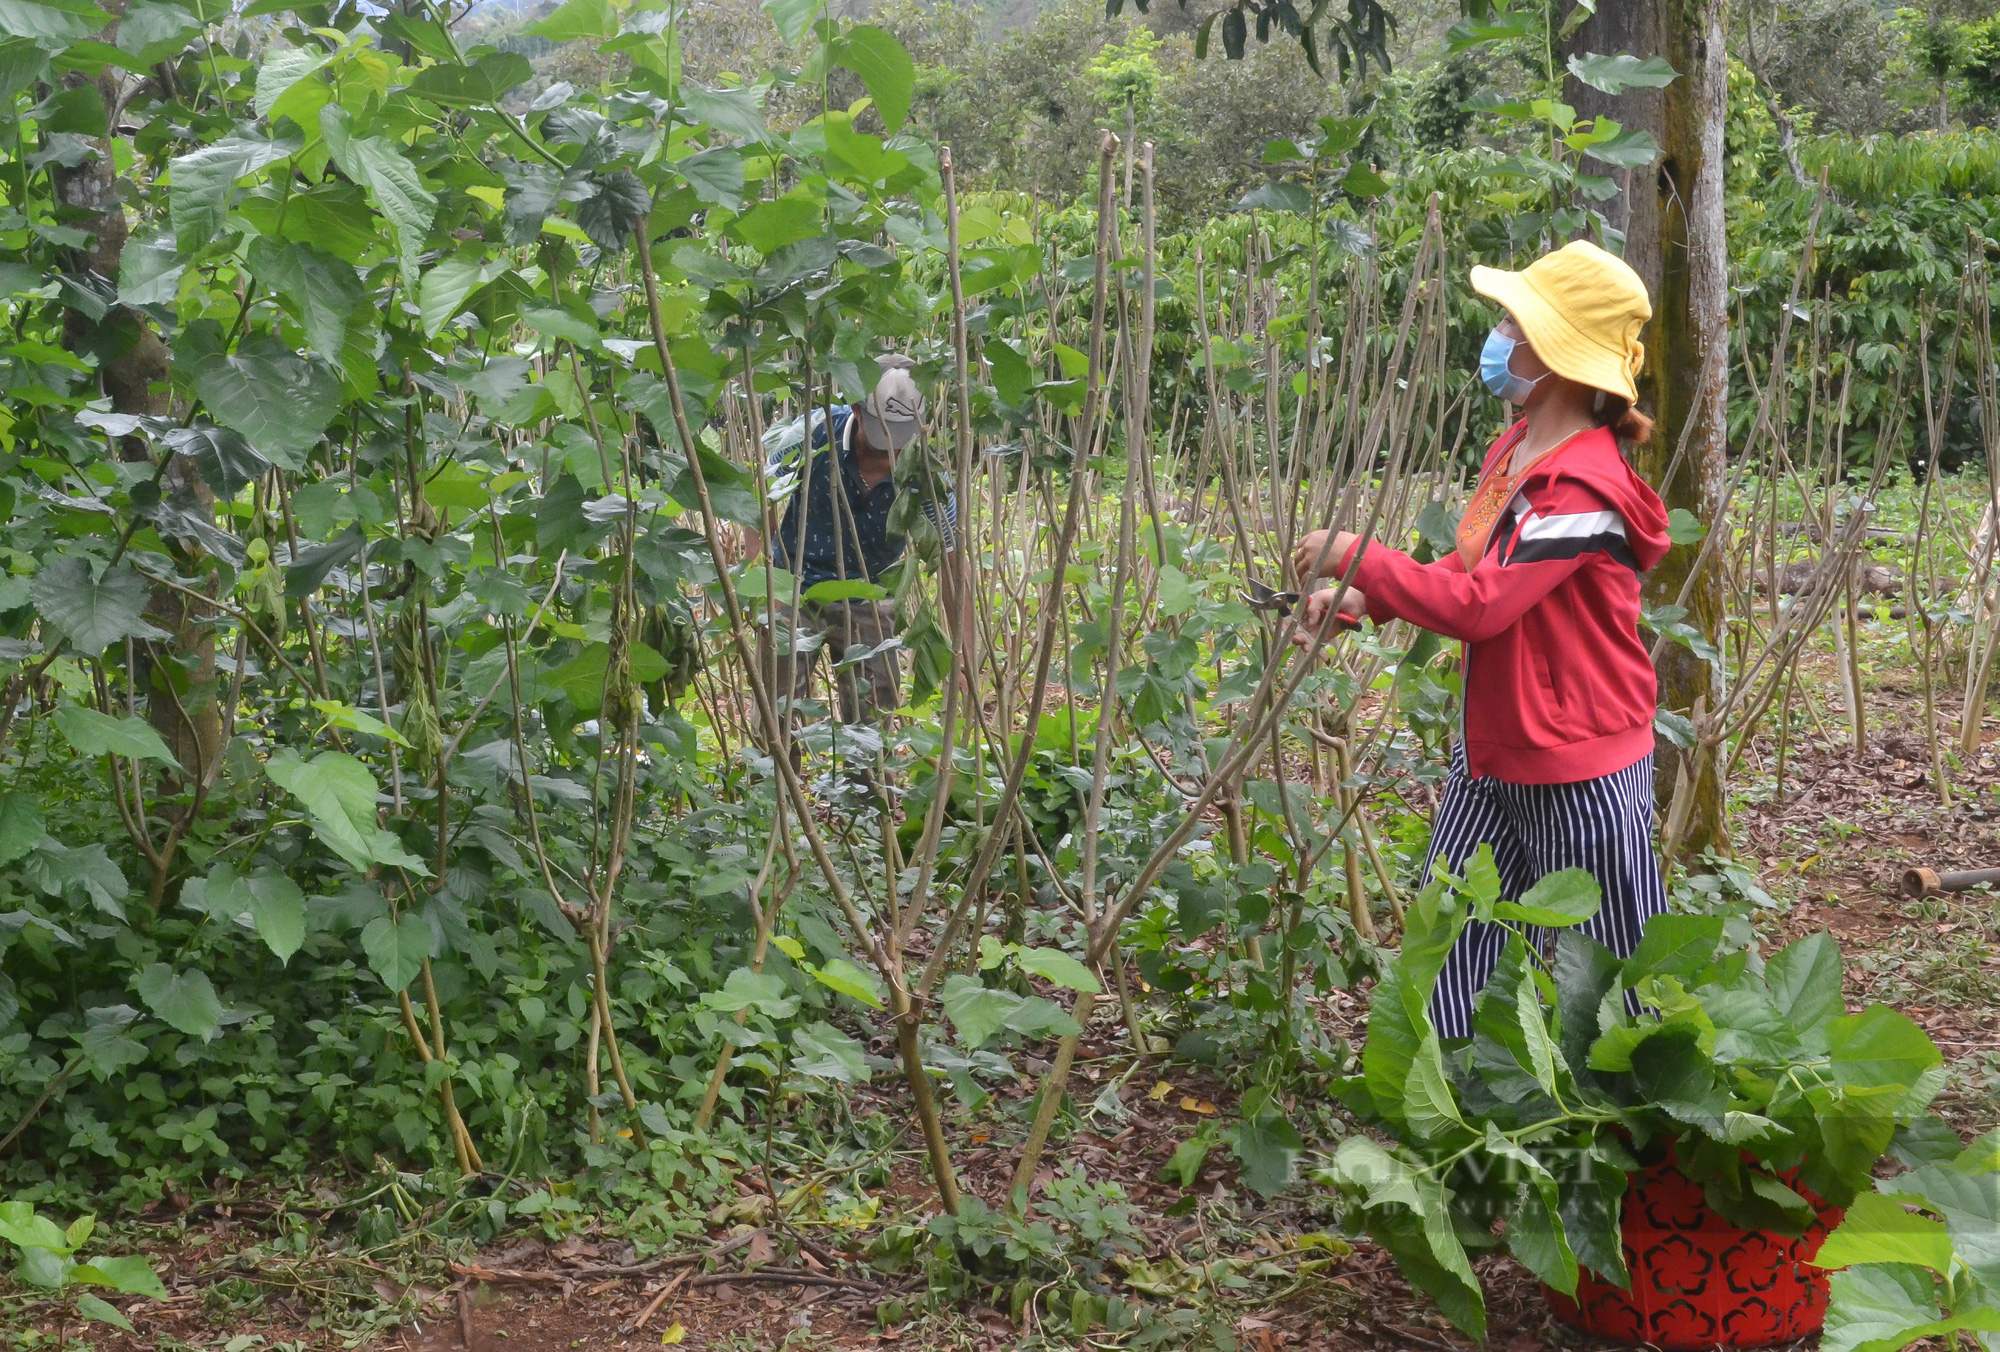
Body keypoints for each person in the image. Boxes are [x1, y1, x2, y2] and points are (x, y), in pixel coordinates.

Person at [1291, 239, 1672, 1038]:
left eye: (1513, 320)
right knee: (1450, 933)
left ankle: (1629, 1137)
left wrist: (1359, 551)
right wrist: (1362, 599)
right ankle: (1445, 1099)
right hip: (1492, 746)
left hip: (1580, 764)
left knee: (1604, 971)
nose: (1498, 334)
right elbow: (1471, 563)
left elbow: (1483, 607)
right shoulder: (1518, 447)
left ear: (1559, 351)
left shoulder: (1584, 486)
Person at [762, 356, 956, 729]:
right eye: (882, 438)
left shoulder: (928, 479)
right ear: (855, 407)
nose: (891, 454)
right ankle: (776, 785)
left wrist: (960, 650)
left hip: (870, 594)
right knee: (777, 712)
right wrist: (766, 580)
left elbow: (951, 562)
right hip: (794, 584)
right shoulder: (813, 434)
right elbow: (762, 491)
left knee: (874, 720)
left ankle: (868, 787)